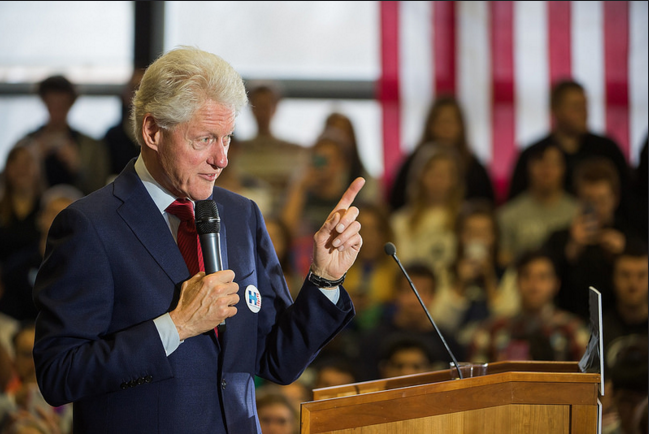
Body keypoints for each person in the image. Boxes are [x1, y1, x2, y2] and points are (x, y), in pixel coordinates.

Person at [32, 47, 364, 434]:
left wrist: (324, 279)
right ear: (153, 131)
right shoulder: (89, 225)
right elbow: (59, 375)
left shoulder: (242, 215)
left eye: (226, 138)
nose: (221, 159)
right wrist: (176, 325)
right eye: (205, 138)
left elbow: (278, 361)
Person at [543, 158, 640, 320]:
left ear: (614, 199)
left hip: (618, 322)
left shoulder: (631, 238)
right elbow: (545, 284)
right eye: (589, 200)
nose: (596, 208)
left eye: (602, 200)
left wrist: (624, 254)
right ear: (578, 199)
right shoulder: (559, 239)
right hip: (569, 323)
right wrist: (570, 252)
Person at [508, 80, 629, 204]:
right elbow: (516, 203)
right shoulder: (534, 154)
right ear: (556, 110)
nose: (584, 113)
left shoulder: (607, 149)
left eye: (585, 106)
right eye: (576, 107)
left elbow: (628, 195)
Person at [469, 251, 589, 363]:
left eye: (542, 277)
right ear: (516, 282)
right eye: (527, 276)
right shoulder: (493, 330)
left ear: (556, 284)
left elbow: (591, 377)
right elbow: (473, 378)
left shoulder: (571, 330)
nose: (534, 285)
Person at [355, 263, 464, 381]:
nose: (414, 299)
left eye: (424, 291)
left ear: (434, 296)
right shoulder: (372, 341)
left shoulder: (449, 345)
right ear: (395, 294)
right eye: (408, 291)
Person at [389, 96, 494, 211]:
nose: (446, 128)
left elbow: (486, 208)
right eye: (441, 121)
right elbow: (395, 204)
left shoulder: (475, 169)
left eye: (451, 122)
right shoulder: (411, 164)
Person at [14, 75, 110, 195]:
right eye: (52, 104)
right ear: (44, 102)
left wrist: (78, 166)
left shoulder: (91, 146)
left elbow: (102, 187)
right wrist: (32, 158)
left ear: (70, 103)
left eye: (62, 104)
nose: (57, 110)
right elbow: (10, 185)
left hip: (78, 209)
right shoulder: (28, 142)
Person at [1, 185, 82, 322]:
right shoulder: (17, 265)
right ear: (41, 217)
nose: (60, 221)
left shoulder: (87, 271)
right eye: (54, 213)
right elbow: (7, 315)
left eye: (68, 216)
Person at [498, 143, 579, 266]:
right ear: (528, 167)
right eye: (540, 161)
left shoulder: (578, 213)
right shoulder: (507, 215)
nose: (547, 169)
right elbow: (503, 260)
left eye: (554, 163)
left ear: (564, 169)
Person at [234, 82, 308, 214]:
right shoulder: (236, 151)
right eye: (258, 106)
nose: (263, 112)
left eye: (267, 105)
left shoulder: (294, 151)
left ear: (275, 107)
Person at [390, 145, 463, 274]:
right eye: (433, 173)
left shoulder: (464, 218)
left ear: (455, 180)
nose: (438, 180)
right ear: (420, 176)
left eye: (445, 174)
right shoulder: (401, 221)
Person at [0, 146, 43, 265]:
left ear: (37, 167)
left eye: (26, 162)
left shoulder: (47, 209)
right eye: (15, 162)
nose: (20, 168)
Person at [103, 69, 145, 178]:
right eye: (134, 89)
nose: (139, 96)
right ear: (126, 94)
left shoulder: (163, 136)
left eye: (145, 90)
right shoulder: (112, 136)